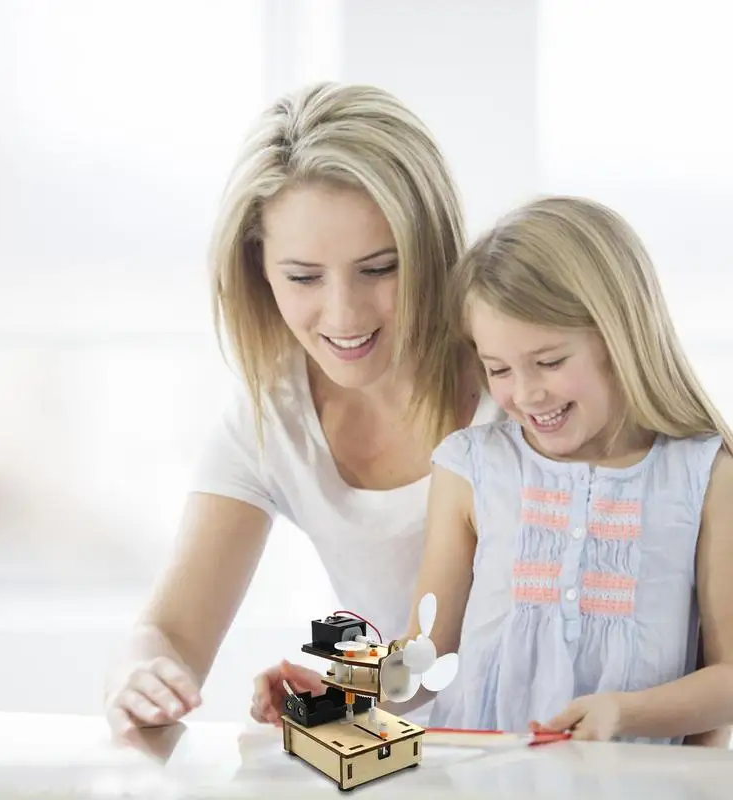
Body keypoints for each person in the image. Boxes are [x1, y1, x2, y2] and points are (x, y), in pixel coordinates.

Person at [102, 81, 503, 737]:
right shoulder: (272, 418)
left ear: (431, 250)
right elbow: (169, 632)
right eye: (303, 277)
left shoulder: (519, 391)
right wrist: (141, 672)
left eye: (379, 268)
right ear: (258, 269)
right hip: (408, 763)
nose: (343, 315)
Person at [391, 195, 733, 745]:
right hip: (481, 784)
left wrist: (625, 713)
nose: (524, 393)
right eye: (497, 368)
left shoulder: (704, 474)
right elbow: (428, 655)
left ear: (620, 336)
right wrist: (340, 692)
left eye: (549, 362)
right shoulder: (471, 466)